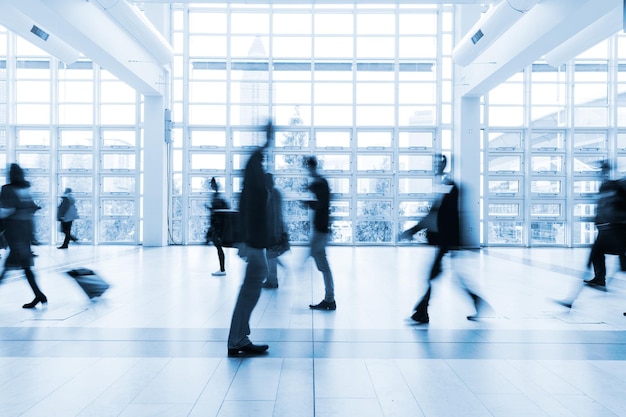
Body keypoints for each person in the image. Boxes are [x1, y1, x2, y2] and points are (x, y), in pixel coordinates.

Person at [400, 154, 490, 323]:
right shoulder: (441, 185)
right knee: (449, 276)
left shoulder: (448, 185)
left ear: (444, 165)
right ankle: (475, 302)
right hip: (444, 239)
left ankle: (421, 312)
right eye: (434, 163)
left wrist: (414, 230)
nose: (435, 166)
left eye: (438, 163)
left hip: (446, 240)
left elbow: (439, 215)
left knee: (433, 275)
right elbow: (435, 214)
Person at [227, 122, 274, 357]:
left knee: (252, 285)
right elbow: (248, 206)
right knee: (250, 287)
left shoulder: (254, 170)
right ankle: (237, 338)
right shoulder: (253, 167)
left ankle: (239, 336)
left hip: (255, 240)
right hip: (253, 240)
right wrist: (244, 240)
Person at [0, 163, 47, 309]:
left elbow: (6, 211)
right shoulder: (25, 189)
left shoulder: (7, 189)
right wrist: (33, 235)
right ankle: (39, 295)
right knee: (25, 267)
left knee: (11, 266)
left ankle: (39, 295)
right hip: (25, 232)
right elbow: (32, 210)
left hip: (14, 232)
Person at [583, 161, 626, 289]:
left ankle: (600, 278)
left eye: (602, 171)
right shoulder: (608, 186)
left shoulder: (615, 186)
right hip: (609, 228)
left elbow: (609, 206)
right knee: (598, 251)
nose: (601, 174)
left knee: (598, 251)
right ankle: (600, 278)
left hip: (615, 229)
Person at [303, 156, 336, 311]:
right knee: (321, 262)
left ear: (311, 167)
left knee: (321, 262)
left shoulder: (320, 183)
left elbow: (321, 205)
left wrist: (309, 202)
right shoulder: (320, 182)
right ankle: (329, 298)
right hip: (321, 228)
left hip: (321, 229)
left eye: (307, 168)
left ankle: (330, 299)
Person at [263, 172, 287, 289]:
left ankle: (272, 280)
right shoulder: (272, 192)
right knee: (271, 255)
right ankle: (271, 279)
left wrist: (277, 232)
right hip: (271, 229)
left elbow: (275, 214)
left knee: (271, 255)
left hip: (273, 230)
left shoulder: (273, 193)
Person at [206, 177, 229, 276]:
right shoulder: (217, 197)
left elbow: (217, 211)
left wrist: (211, 209)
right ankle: (222, 269)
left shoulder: (217, 198)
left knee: (219, 248)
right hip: (218, 225)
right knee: (219, 248)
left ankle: (222, 269)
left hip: (217, 226)